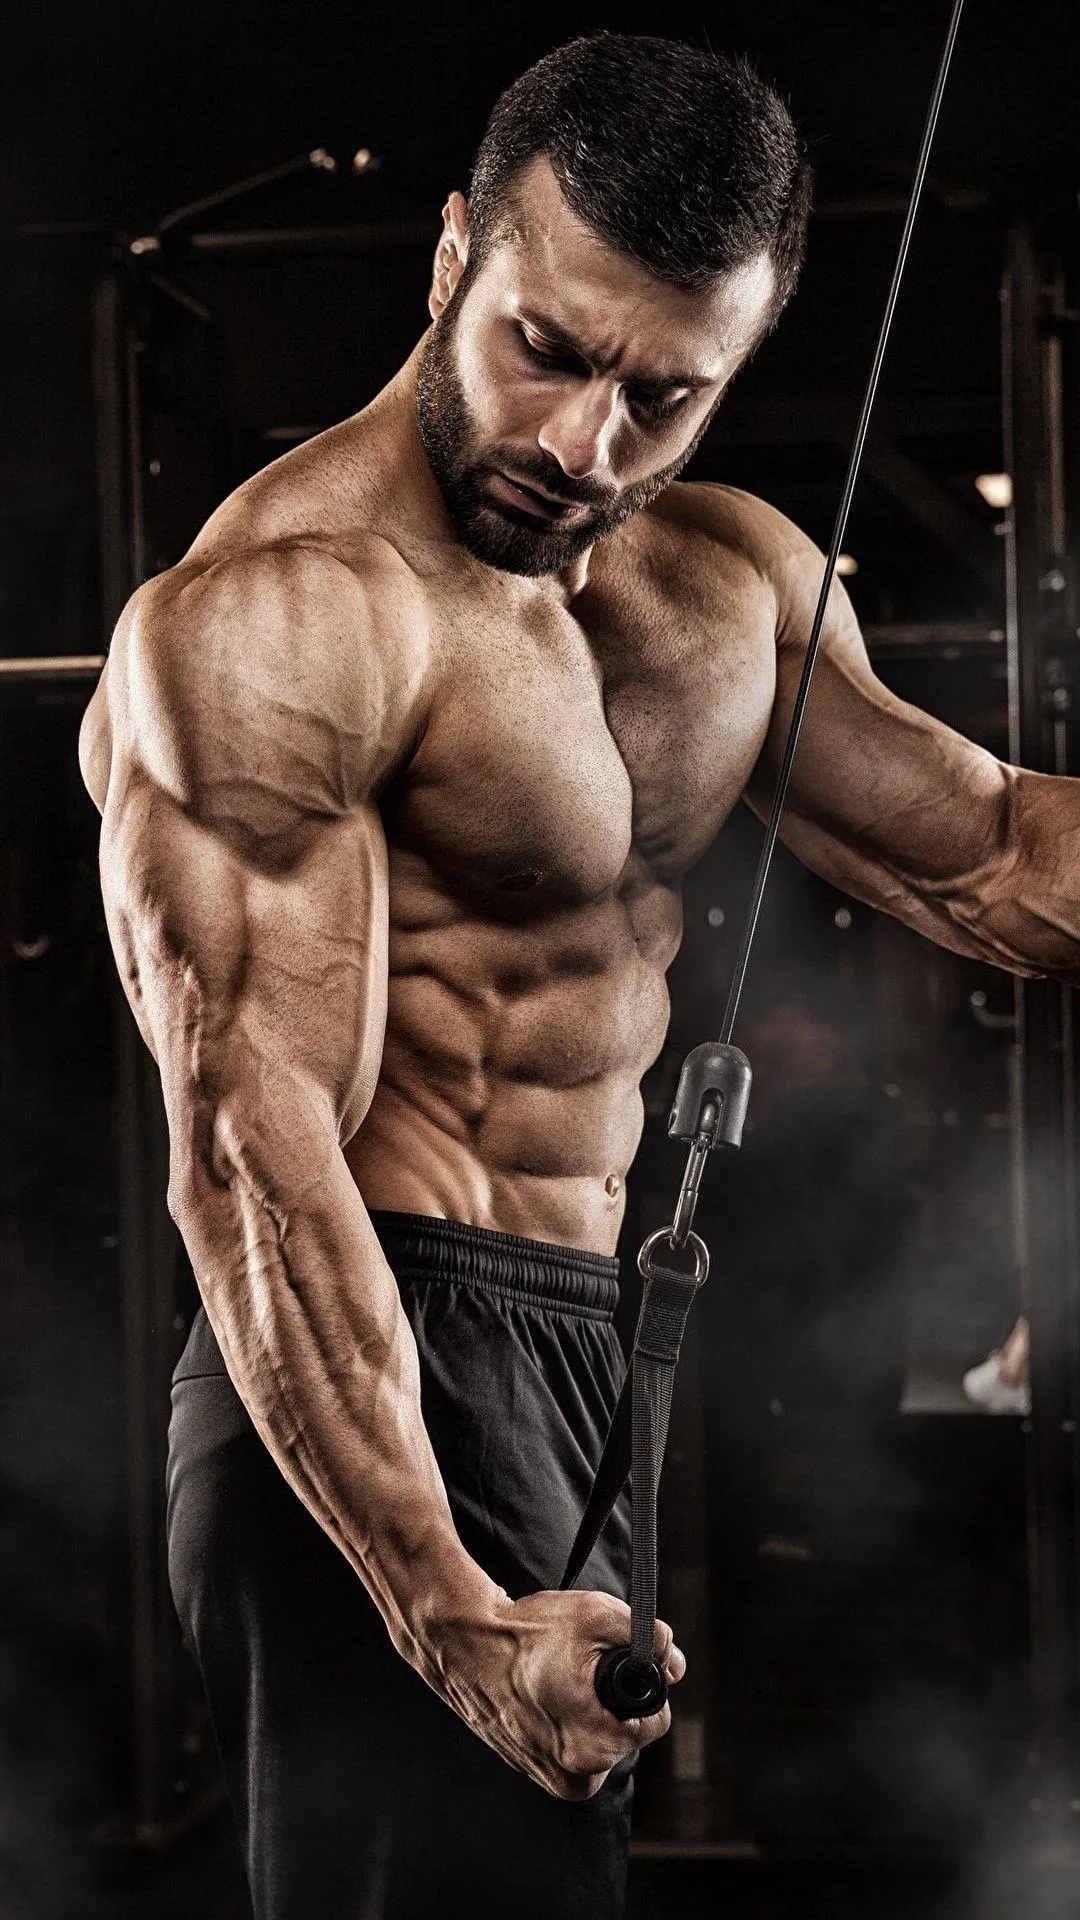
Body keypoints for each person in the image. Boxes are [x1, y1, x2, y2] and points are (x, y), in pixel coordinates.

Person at [78, 31, 1080, 1919]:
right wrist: (447, 1609)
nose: (581, 443)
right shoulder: (284, 612)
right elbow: (250, 1148)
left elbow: (1003, 863)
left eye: (663, 393)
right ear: (456, 252)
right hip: (363, 1342)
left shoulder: (723, 586)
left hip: (578, 1339)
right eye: (548, 346)